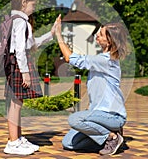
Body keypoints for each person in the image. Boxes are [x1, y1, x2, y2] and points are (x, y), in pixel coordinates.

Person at [55, 17, 128, 156]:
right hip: (100, 114)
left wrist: (58, 34)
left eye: (100, 35)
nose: (97, 37)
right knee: (69, 143)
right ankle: (108, 138)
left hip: (112, 116)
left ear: (110, 40)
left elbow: (70, 58)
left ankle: (111, 137)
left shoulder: (105, 60)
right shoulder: (102, 59)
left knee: (74, 119)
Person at [3, 0, 60, 155]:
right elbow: (20, 50)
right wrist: (25, 73)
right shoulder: (20, 22)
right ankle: (13, 143)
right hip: (19, 64)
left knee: (16, 103)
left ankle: (17, 139)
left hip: (17, 64)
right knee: (15, 104)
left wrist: (51, 34)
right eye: (33, 5)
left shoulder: (18, 21)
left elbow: (31, 45)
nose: (34, 8)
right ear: (24, 3)